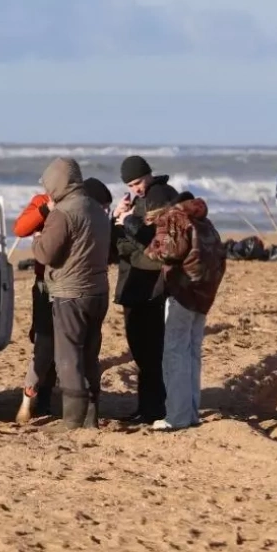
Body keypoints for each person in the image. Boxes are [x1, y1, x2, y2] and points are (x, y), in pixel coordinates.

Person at [14, 177, 113, 425]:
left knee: (74, 347)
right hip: (47, 284)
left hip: (73, 286)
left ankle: (57, 401)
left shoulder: (83, 210)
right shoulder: (43, 202)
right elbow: (21, 229)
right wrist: (46, 208)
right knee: (45, 343)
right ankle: (33, 397)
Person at [145, 191, 226, 431]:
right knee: (191, 353)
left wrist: (149, 250)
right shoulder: (204, 221)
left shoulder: (174, 218)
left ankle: (177, 416)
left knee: (175, 353)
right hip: (204, 293)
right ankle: (190, 412)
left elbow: (170, 251)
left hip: (183, 291)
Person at [112, 155, 178, 423]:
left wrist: (127, 222)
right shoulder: (141, 199)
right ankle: (147, 406)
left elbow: (157, 242)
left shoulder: (161, 195)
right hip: (136, 282)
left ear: (148, 174)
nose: (136, 188)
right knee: (141, 350)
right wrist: (118, 217)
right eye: (130, 184)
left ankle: (154, 408)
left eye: (138, 181)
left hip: (152, 284)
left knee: (150, 351)